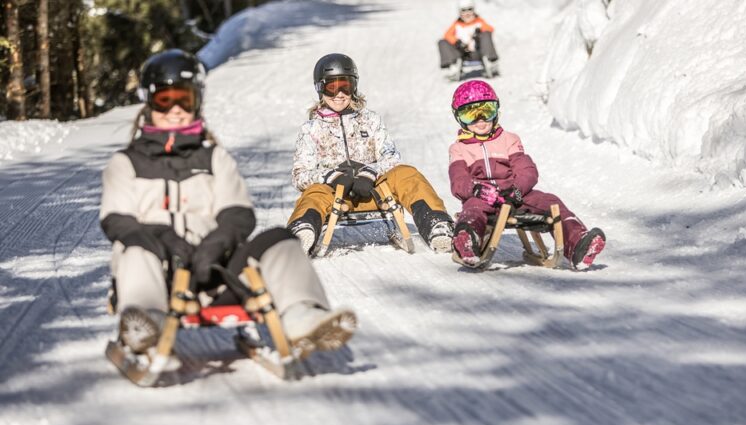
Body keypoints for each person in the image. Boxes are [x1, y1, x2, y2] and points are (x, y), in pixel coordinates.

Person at [100, 49, 355, 359]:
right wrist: (163, 239)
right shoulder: (126, 162)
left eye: (185, 99)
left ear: (197, 101)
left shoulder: (214, 158)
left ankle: (302, 314)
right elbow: (118, 221)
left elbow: (238, 213)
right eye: (166, 100)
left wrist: (215, 244)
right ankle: (147, 322)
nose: (176, 110)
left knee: (281, 240)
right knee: (135, 249)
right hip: (157, 277)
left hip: (213, 271)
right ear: (149, 102)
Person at [288, 53, 454, 255]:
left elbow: (391, 157)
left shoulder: (371, 120)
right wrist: (331, 176)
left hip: (374, 192)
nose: (339, 94)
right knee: (313, 192)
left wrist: (369, 172)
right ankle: (302, 231)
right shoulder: (311, 129)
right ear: (320, 88)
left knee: (406, 173)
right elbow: (300, 175)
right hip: (334, 198)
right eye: (332, 87)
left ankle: (436, 224)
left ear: (354, 86)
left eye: (345, 86)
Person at [447, 80, 606, 269]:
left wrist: (516, 190)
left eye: (486, 111)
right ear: (459, 117)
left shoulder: (509, 140)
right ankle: (467, 241)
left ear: (496, 111)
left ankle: (578, 243)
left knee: (551, 201)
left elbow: (527, 170)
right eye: (470, 114)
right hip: (483, 199)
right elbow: (458, 180)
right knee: (472, 209)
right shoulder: (458, 149)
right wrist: (476, 189)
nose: (480, 120)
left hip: (516, 196)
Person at [438, 0, 499, 78]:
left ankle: (490, 62)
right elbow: (447, 35)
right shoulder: (457, 25)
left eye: (469, 9)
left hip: (478, 51)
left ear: (473, 10)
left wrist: (479, 33)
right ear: (460, 12)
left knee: (486, 34)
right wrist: (457, 42)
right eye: (463, 10)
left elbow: (490, 29)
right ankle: (453, 67)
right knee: (443, 42)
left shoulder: (479, 22)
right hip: (463, 54)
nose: (467, 13)